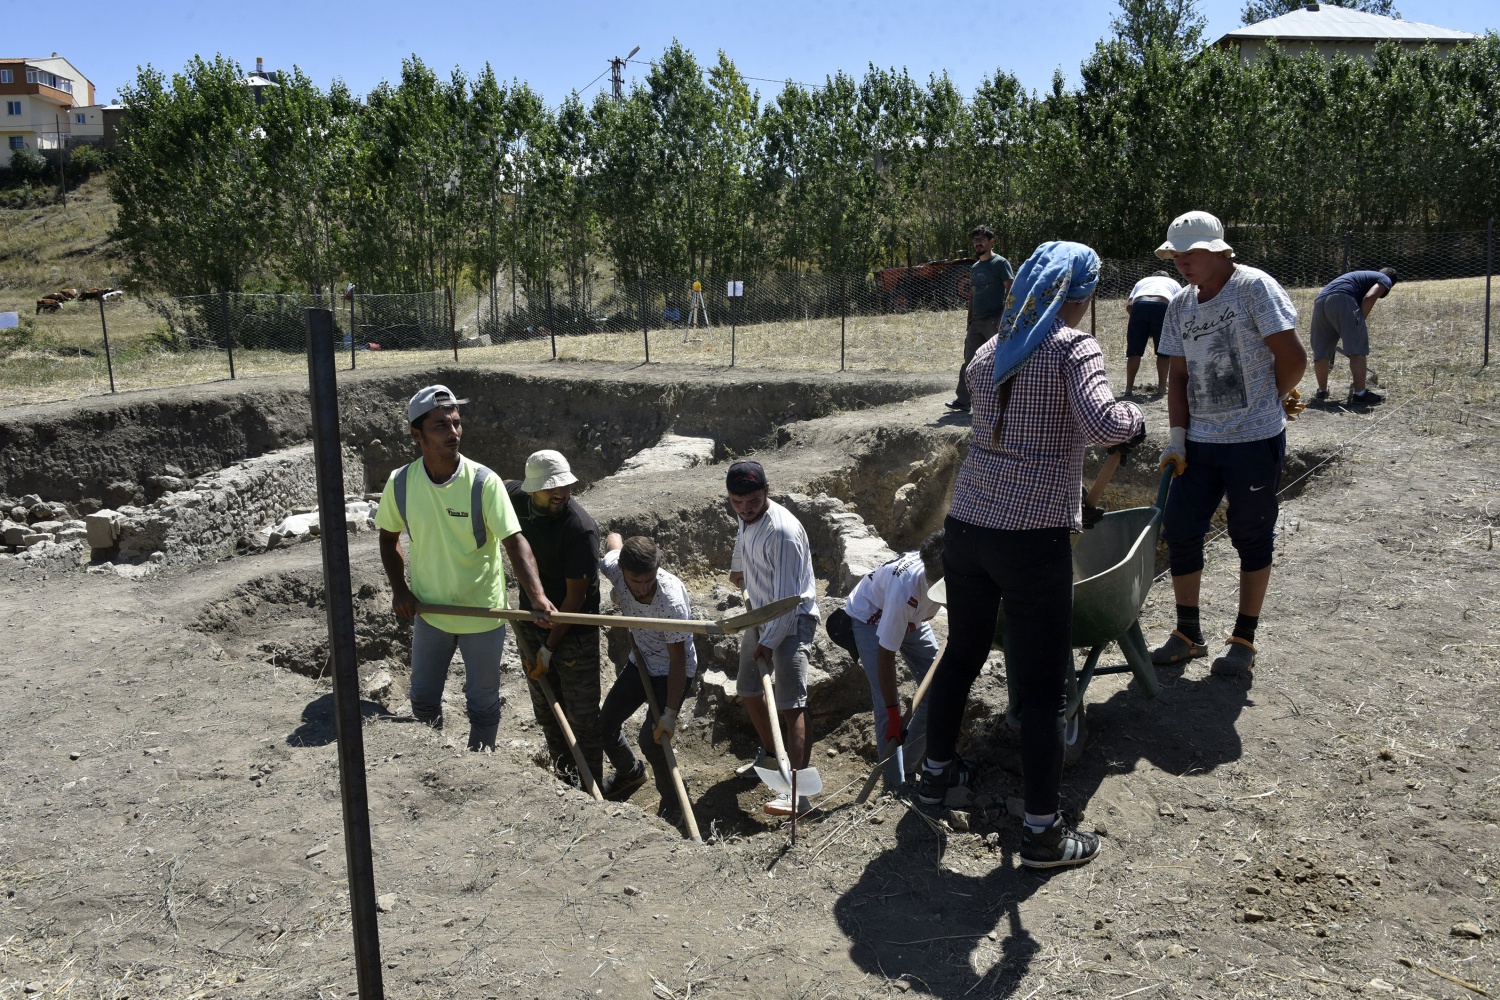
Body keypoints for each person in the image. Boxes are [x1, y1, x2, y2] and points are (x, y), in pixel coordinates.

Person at [919, 241, 1143, 870]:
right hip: (1031, 538)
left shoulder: (990, 352)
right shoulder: (1074, 348)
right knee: (1043, 688)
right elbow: (1104, 424)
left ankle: (935, 773)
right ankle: (1043, 833)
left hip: (969, 527)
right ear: (1081, 296)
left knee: (962, 651)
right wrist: (1135, 423)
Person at [1151, 211, 1308, 681]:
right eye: (1176, 253)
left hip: (1253, 440)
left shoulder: (1254, 288)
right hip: (1199, 444)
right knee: (1180, 530)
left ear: (1219, 250)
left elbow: (1294, 357)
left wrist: (1270, 402)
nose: (1182, 261)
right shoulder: (1180, 304)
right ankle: (1187, 635)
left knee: (1251, 534)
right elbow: (1178, 376)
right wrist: (1177, 438)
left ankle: (1243, 639)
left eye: (1191, 252)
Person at [375, 385, 556, 752]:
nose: (453, 432)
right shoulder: (401, 483)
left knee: (483, 703)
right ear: (417, 434)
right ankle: (432, 762)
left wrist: (536, 596)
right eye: (441, 425)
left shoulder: (483, 482)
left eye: (456, 423)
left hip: (482, 614)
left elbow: (514, 541)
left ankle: (479, 764)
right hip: (431, 612)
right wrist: (400, 589)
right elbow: (387, 538)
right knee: (423, 700)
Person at [726, 460, 820, 816]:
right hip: (760, 615)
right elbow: (742, 533)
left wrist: (768, 642)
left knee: (791, 702)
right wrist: (739, 569)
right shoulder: (745, 514)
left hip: (792, 620)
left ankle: (797, 791)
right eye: (737, 502)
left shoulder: (782, 533)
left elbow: (788, 602)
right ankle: (769, 757)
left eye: (751, 501)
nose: (745, 509)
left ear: (767, 491)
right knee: (749, 691)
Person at [506, 450, 605, 787]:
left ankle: (593, 788)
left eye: (566, 486)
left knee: (583, 717)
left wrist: (548, 649)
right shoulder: (515, 498)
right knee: (548, 711)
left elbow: (574, 599)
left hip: (575, 629)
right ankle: (566, 785)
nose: (562, 494)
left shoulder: (580, 529)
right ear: (533, 488)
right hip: (531, 621)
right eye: (552, 488)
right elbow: (490, 490)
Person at [597, 533, 698, 823]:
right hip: (640, 660)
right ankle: (630, 773)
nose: (643, 587)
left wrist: (669, 714)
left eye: (649, 580)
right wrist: (615, 539)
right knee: (605, 725)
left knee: (653, 739)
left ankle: (675, 802)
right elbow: (613, 542)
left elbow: (678, 660)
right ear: (623, 570)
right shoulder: (616, 568)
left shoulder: (671, 602)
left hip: (672, 670)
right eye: (635, 580)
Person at [843, 531, 945, 792]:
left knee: (939, 686)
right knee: (886, 702)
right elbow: (885, 656)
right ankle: (894, 784)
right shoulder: (905, 593)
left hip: (913, 619)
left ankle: (908, 767)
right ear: (933, 580)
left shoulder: (954, 565)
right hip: (871, 616)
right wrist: (893, 714)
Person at [947, 224, 1016, 412]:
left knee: (999, 360)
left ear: (991, 241)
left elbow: (1011, 290)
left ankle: (1004, 402)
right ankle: (963, 401)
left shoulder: (1001, 263)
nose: (978, 243)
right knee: (969, 360)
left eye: (982, 240)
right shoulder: (976, 267)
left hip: (995, 321)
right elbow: (972, 294)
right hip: (976, 322)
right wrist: (969, 320)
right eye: (975, 240)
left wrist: (1003, 317)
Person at [1310, 267, 1398, 406]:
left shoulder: (1361, 276)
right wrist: (1359, 321)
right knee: (1357, 349)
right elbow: (1370, 297)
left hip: (1320, 300)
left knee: (1321, 350)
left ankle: (1322, 391)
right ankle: (1361, 394)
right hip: (1342, 299)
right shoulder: (1385, 279)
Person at [1124, 270, 1183, 396]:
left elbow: (1129, 306)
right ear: (1167, 277)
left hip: (1139, 306)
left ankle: (1128, 389)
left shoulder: (1142, 281)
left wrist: (1143, 326)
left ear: (1153, 276)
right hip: (1162, 306)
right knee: (1163, 351)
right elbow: (1180, 306)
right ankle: (1161, 388)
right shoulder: (1173, 282)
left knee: (1134, 352)